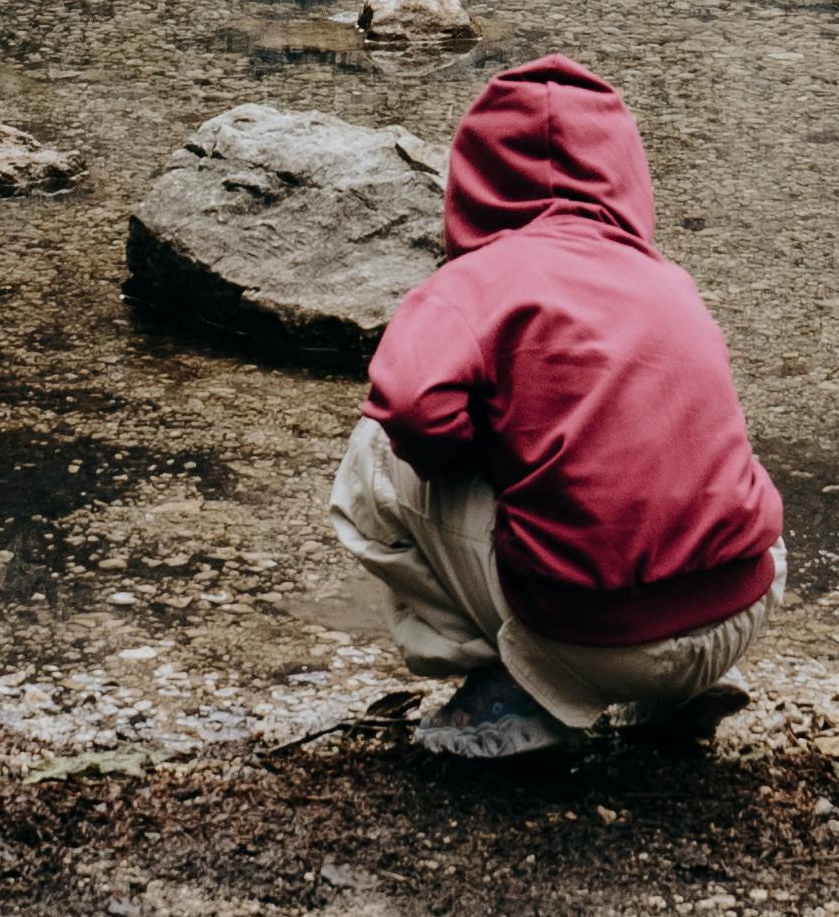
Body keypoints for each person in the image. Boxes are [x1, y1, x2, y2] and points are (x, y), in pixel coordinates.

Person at [329, 55, 784, 765]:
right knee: (687, 446)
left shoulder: (475, 283)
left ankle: (513, 683)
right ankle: (681, 686)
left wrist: (486, 457)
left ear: (472, 180)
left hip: (589, 641)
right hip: (741, 607)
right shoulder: (668, 280)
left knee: (373, 452)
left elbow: (412, 411)